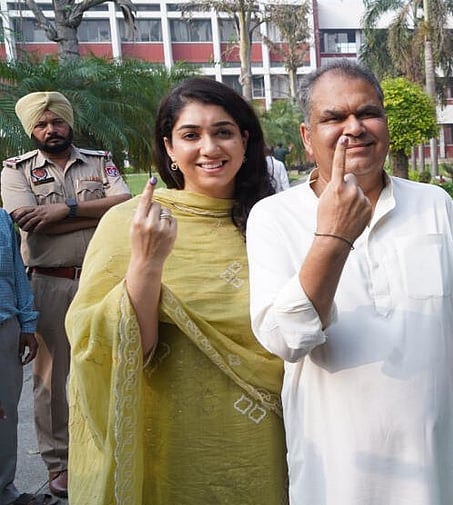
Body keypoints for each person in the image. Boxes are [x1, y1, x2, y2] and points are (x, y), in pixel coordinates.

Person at [247, 59, 453, 505]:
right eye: (334, 117)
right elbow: (285, 339)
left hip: (434, 456)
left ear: (385, 123)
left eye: (368, 113)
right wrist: (334, 237)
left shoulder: (433, 204)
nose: (354, 127)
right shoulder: (273, 217)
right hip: (338, 468)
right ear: (307, 137)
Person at [64, 78, 287, 503]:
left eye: (223, 132)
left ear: (245, 140)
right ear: (169, 147)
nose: (209, 148)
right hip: (170, 433)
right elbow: (112, 347)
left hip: (266, 435)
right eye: (191, 135)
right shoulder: (132, 223)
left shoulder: (274, 220)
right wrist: (147, 263)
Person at [1, 91, 132, 498]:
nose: (50, 130)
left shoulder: (100, 160)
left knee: (110, 366)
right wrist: (95, 214)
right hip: (49, 283)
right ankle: (60, 462)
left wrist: (64, 211)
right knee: (51, 379)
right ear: (31, 130)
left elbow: (125, 203)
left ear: (68, 122)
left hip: (104, 279)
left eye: (56, 121)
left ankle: (111, 448)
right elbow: (29, 223)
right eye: (41, 124)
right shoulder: (15, 171)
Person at [1, 209, 53, 505]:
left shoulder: (0, 219)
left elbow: (17, 272)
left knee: (5, 417)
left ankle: (5, 492)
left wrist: (27, 324)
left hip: (6, 327)